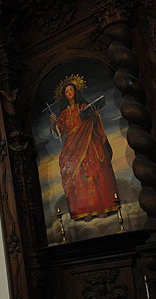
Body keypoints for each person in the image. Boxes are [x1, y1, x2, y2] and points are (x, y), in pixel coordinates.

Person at [49, 81, 118, 221]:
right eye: (67, 91)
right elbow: (58, 133)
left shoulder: (84, 107)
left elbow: (96, 120)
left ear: (75, 91)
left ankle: (101, 208)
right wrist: (53, 124)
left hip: (90, 144)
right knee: (79, 178)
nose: (69, 92)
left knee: (95, 172)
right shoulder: (63, 115)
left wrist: (93, 117)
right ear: (64, 96)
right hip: (73, 149)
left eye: (71, 90)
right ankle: (86, 211)